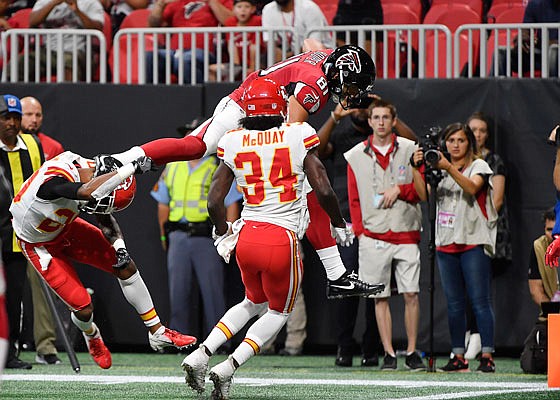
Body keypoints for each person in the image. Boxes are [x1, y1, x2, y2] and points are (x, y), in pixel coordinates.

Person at [96, 44, 380, 300]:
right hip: (248, 107)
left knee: (308, 192)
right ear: (340, 73)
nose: (353, 96)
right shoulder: (314, 87)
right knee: (196, 146)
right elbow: (293, 138)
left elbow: (311, 45)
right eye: (354, 87)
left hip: (261, 109)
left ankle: (337, 275)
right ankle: (123, 159)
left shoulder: (326, 57)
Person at [181, 77, 382, 399]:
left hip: (247, 236)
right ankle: (228, 366)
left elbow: (214, 201)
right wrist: (337, 222)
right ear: (279, 105)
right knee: (278, 312)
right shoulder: (297, 134)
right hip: (281, 238)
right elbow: (324, 188)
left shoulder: (233, 139)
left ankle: (202, 352)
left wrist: (221, 234)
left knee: (251, 302)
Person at [9, 150, 197, 369]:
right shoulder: (54, 181)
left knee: (125, 266)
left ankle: (157, 331)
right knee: (84, 308)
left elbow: (104, 216)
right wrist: (132, 167)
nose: (98, 207)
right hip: (39, 245)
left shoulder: (94, 173)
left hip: (65, 229)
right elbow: (89, 192)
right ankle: (92, 334)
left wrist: (121, 249)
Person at [318, 95, 416, 368]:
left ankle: (372, 348)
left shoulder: (386, 136)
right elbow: (315, 148)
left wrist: (385, 108)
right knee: (347, 287)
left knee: (376, 287)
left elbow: (414, 143)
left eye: (367, 107)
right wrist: (336, 116)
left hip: (378, 221)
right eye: (357, 105)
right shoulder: (341, 132)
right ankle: (344, 347)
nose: (361, 110)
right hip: (347, 222)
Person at [344, 99, 427, 372]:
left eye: (385, 117)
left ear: (393, 121)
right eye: (375, 117)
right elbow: (353, 198)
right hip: (373, 234)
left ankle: (412, 351)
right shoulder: (355, 154)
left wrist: (400, 189)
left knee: (411, 294)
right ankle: (389, 353)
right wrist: (360, 231)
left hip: (405, 230)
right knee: (379, 296)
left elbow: (421, 193)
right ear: (369, 121)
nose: (380, 122)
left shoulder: (410, 150)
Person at [416, 122, 498, 373]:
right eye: (450, 141)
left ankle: (487, 355)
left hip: (472, 239)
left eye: (461, 140)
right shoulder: (437, 170)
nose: (455, 145)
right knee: (453, 304)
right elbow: (423, 196)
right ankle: (458, 355)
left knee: (479, 301)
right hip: (445, 240)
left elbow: (472, 188)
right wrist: (415, 168)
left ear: (469, 143)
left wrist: (447, 166)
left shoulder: (479, 165)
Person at [0, 94, 44, 370]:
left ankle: (10, 353)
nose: (12, 123)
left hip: (18, 236)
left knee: (15, 298)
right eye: (6, 117)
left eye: (16, 118)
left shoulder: (32, 146)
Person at [19, 96, 64, 366]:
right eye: (28, 114)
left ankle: (45, 345)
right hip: (9, 223)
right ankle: (8, 340)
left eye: (38, 114)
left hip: (38, 227)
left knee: (44, 282)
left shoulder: (53, 147)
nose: (33, 119)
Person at [463, 111, 511, 360]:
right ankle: (469, 335)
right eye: (474, 129)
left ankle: (480, 338)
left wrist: (477, 223)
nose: (478, 134)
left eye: (482, 130)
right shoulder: (458, 160)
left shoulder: (494, 160)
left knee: (479, 287)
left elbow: (498, 200)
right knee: (463, 288)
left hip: (485, 231)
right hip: (460, 233)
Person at [146, 0, 233, 84]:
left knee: (185, 59)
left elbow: (231, 22)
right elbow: (153, 25)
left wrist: (211, 2)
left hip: (203, 52)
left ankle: (194, 97)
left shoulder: (221, 1)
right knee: (152, 56)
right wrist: (160, 4)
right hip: (175, 51)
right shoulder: (177, 2)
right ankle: (153, 96)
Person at [27, 0, 105, 81]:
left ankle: (67, 93)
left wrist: (77, 11)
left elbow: (98, 28)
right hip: (49, 52)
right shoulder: (44, 1)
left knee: (68, 61)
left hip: (78, 52)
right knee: (23, 62)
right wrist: (53, 3)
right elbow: (32, 21)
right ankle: (20, 93)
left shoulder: (90, 2)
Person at [209, 0, 262, 81]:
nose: (243, 10)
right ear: (233, 9)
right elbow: (231, 45)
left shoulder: (257, 21)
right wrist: (236, 66)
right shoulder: (230, 22)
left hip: (256, 63)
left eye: (247, 7)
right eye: (239, 7)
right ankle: (215, 93)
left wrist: (252, 69)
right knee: (211, 69)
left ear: (253, 9)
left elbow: (254, 47)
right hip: (237, 64)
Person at [261, 0, 330, 62]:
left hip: (321, 55)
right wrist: (277, 53)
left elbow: (313, 44)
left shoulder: (309, 7)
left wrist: (288, 56)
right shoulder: (268, 9)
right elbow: (269, 42)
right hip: (290, 56)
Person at [529, 208, 559, 317]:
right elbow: (535, 290)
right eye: (550, 230)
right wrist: (553, 310)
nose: (554, 235)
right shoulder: (539, 247)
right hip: (552, 315)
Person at [21, 97, 64, 161]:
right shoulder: (6, 144)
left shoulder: (54, 148)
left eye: (38, 115)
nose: (34, 120)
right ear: (18, 116)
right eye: (29, 114)